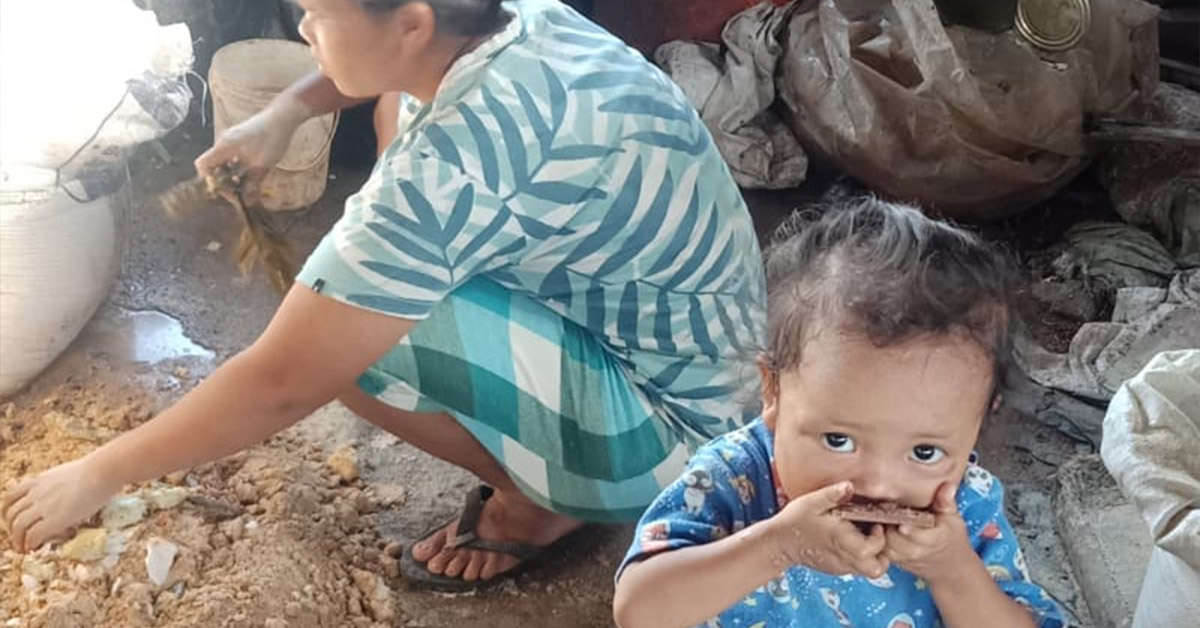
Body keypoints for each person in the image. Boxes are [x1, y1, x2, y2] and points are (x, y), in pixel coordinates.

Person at [1, 0, 765, 590]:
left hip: (686, 449)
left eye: (320, 16)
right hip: (709, 353)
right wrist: (287, 110)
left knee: (359, 352)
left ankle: (540, 503)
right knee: (395, 111)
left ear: (410, 22)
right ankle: (561, 465)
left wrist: (96, 473)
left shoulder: (454, 172)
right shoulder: (518, 20)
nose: (304, 29)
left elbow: (281, 382)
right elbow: (387, 67)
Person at [612, 199, 1065, 628]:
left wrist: (952, 570)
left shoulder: (967, 507)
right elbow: (638, 608)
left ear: (979, 423)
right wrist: (778, 545)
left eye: (925, 451)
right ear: (774, 390)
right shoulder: (734, 478)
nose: (879, 485)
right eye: (838, 441)